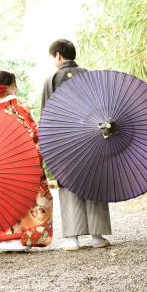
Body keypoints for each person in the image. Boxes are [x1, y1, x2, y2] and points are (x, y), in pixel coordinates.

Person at [40, 39, 112, 251]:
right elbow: (104, 106)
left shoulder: (51, 80)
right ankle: (98, 236)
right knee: (94, 183)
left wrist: (48, 147)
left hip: (64, 142)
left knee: (70, 185)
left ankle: (72, 238)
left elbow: (47, 117)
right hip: (92, 139)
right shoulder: (91, 75)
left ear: (58, 56)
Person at [0, 69, 54, 252]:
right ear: (9, 86)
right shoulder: (17, 104)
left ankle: (4, 241)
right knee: (23, 198)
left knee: (1, 200)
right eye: (14, 83)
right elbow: (32, 131)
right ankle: (21, 240)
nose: (16, 87)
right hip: (19, 161)